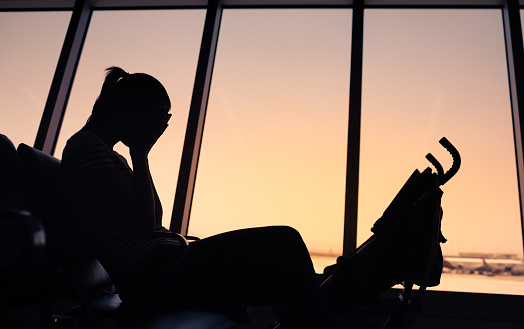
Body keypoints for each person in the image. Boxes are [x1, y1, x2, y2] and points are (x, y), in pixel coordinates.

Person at [59, 67, 440, 329]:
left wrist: (137, 155)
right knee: (285, 238)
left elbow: (151, 218)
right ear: (129, 111)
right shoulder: (86, 147)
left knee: (289, 276)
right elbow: (145, 221)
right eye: (155, 118)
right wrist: (140, 154)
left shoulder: (105, 154)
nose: (157, 128)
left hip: (165, 264)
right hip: (153, 276)